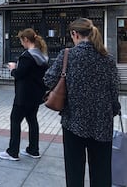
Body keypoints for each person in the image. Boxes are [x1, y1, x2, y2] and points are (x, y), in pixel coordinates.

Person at [44, 18, 121, 186]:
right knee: (101, 173)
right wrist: (112, 110)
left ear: (75, 34)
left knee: (74, 172)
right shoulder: (108, 58)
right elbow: (114, 92)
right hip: (102, 123)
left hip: (74, 122)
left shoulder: (68, 55)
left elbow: (49, 79)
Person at [0, 28, 49, 161]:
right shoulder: (42, 55)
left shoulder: (27, 56)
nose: (21, 44)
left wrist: (13, 68)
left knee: (15, 120)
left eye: (21, 41)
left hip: (23, 96)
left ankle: (12, 152)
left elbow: (19, 75)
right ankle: (33, 149)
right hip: (36, 95)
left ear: (26, 40)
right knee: (32, 120)